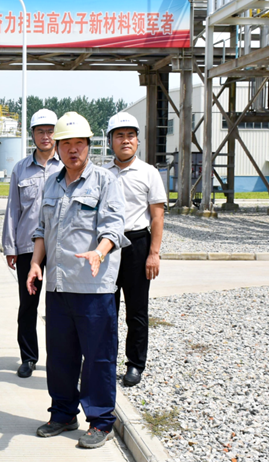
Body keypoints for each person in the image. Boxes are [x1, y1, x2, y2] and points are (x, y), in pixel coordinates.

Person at [26, 112, 129, 449]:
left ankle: (100, 421)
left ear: (89, 145)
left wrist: (99, 252)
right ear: (57, 147)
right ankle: (63, 413)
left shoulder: (104, 181)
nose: (73, 149)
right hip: (58, 285)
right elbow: (41, 229)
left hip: (93, 288)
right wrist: (35, 264)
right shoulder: (52, 183)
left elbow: (113, 226)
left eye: (79, 143)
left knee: (98, 357)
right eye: (66, 143)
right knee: (60, 357)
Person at [104, 112, 167, 387]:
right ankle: (105, 361)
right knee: (106, 309)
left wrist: (153, 253)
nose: (126, 140)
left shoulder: (148, 173)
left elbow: (157, 217)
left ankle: (134, 364)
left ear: (138, 140)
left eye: (130, 135)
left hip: (137, 244)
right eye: (119, 135)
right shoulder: (102, 174)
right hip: (107, 246)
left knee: (137, 311)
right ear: (110, 141)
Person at [2, 109, 63, 378]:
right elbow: (13, 209)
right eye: (40, 131)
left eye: (50, 131)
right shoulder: (21, 168)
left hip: (61, 246)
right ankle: (28, 357)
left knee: (60, 305)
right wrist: (10, 247)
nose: (46, 136)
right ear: (32, 135)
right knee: (28, 304)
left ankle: (61, 357)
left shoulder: (66, 165)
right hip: (27, 246)